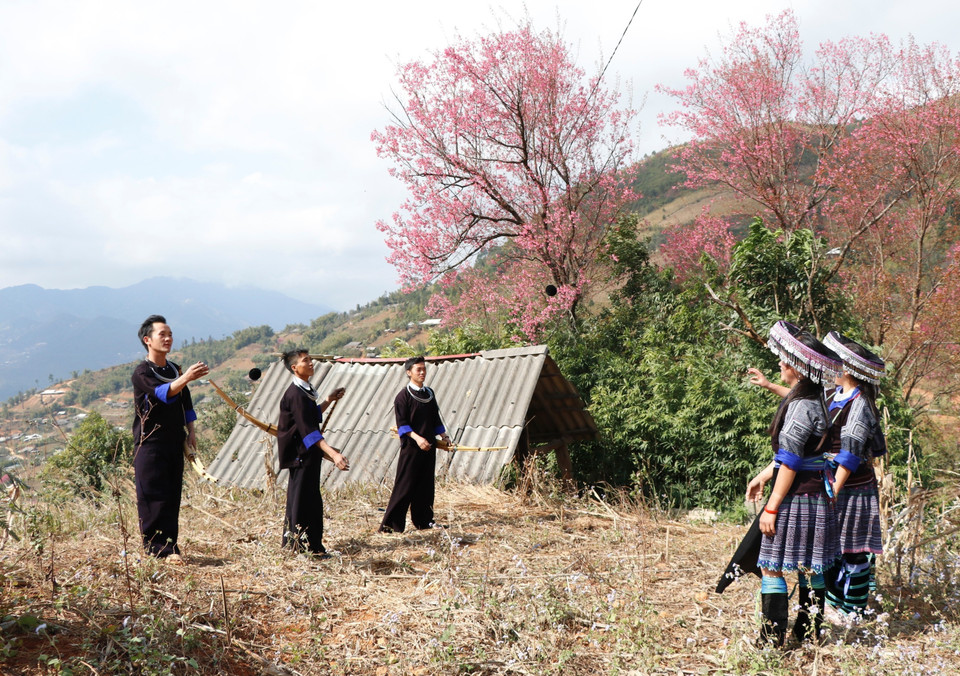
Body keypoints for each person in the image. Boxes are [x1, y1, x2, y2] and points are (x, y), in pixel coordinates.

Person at [746, 321, 843, 647]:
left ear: (798, 368)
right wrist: (763, 474)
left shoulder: (801, 408)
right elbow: (797, 449)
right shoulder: (820, 400)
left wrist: (771, 507)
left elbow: (790, 462)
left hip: (796, 499)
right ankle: (809, 633)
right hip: (818, 498)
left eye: (784, 360)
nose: (780, 363)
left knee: (771, 569)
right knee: (811, 568)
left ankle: (771, 642)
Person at [132, 314, 209, 562]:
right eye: (162, 334)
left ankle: (170, 547)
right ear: (147, 340)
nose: (168, 338)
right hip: (151, 442)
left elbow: (185, 402)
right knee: (152, 496)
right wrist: (186, 377)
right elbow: (162, 393)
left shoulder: (174, 368)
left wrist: (192, 432)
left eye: (170, 334)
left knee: (171, 495)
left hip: (174, 440)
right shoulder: (143, 372)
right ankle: (156, 549)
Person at [821, 331, 886, 624]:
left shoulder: (860, 405)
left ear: (846, 369)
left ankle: (855, 611)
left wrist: (835, 487)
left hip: (853, 487)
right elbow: (808, 404)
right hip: (834, 482)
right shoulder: (834, 393)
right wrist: (770, 385)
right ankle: (835, 604)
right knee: (834, 548)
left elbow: (849, 454)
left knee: (855, 550)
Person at [278, 349, 349, 557]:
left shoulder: (304, 390)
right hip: (300, 454)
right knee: (301, 501)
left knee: (308, 499)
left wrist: (328, 399)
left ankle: (309, 546)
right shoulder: (296, 394)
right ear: (294, 368)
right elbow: (309, 432)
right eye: (305, 361)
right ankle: (299, 548)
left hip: (307, 454)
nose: (311, 363)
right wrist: (334, 455)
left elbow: (311, 416)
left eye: (310, 359)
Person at [379, 356, 451, 533]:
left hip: (429, 446)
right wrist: (418, 439)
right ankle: (390, 526)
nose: (422, 372)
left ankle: (424, 521)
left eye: (424, 369)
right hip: (412, 448)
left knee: (426, 485)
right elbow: (402, 424)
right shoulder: (403, 396)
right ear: (408, 372)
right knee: (405, 486)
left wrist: (443, 435)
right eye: (418, 369)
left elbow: (435, 418)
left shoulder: (429, 393)